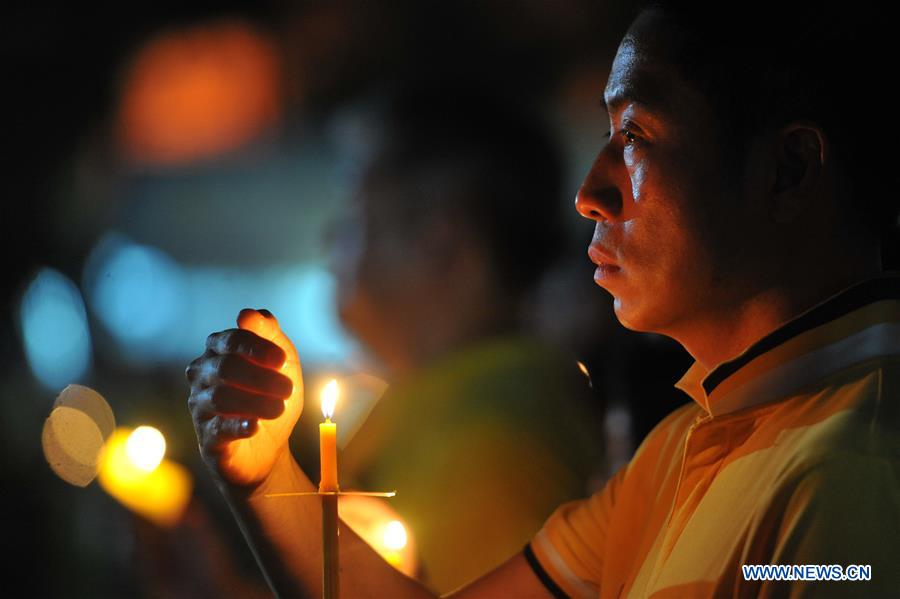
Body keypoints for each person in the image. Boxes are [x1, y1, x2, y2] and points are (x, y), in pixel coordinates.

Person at [186, 1, 900, 597]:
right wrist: (265, 474)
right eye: (605, 135)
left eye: (636, 135)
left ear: (788, 167)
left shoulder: (849, 479)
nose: (590, 193)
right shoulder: (683, 449)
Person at [325, 92, 604, 593]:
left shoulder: (487, 438)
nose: (331, 242)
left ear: (440, 241)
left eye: (356, 217)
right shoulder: (460, 402)